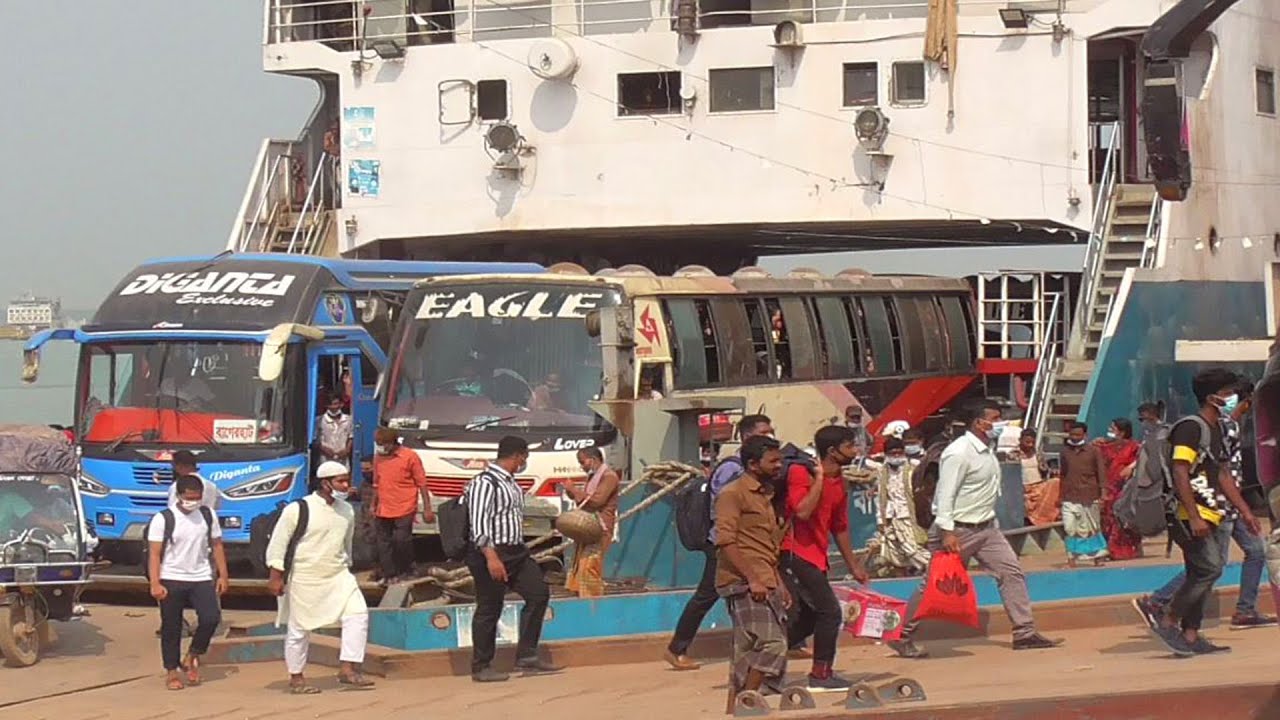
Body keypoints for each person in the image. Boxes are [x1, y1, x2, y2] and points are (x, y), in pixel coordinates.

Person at [891, 401, 1061, 658]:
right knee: (934, 585)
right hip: (958, 530)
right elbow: (945, 495)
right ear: (979, 423)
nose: (999, 424)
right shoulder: (958, 453)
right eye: (995, 418)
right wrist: (947, 532)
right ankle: (902, 634)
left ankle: (1024, 632)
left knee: (1011, 573)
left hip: (987, 528)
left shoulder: (987, 450)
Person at [1131, 369, 1264, 655]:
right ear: (1212, 396)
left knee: (1201, 572)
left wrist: (1245, 511)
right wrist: (1193, 516)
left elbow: (1223, 474)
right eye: (1228, 393)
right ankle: (1166, 618)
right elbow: (1181, 472)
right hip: (1186, 514)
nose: (1232, 398)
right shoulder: (1190, 428)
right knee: (1210, 567)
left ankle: (1191, 635)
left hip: (1213, 512)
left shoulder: (1216, 427)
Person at [665, 414, 774, 671]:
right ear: (747, 437)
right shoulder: (733, 469)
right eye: (764, 432)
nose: (770, 436)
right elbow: (725, 508)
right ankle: (676, 648)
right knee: (707, 595)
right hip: (725, 544)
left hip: (743, 543)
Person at [266, 461, 374, 693]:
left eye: (347, 480)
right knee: (299, 629)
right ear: (325, 483)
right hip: (304, 577)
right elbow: (279, 544)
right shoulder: (299, 509)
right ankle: (296, 677)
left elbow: (346, 545)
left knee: (358, 615)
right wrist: (275, 577)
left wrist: (347, 567)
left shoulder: (346, 510)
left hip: (338, 575)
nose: (346, 486)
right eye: (340, 481)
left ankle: (348, 668)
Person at [779, 425, 868, 691]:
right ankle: (821, 675)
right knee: (829, 611)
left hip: (816, 555)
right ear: (832, 451)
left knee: (808, 618)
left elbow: (839, 526)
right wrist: (818, 479)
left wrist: (854, 565)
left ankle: (762, 660)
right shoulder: (800, 473)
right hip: (794, 551)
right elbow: (803, 511)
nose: (856, 451)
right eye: (850, 446)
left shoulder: (840, 481)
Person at [463, 436, 560, 682]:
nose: (524, 462)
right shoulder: (484, 482)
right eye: (523, 458)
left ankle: (527, 654)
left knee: (538, 594)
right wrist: (491, 557)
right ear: (517, 456)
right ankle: (481, 665)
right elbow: (479, 522)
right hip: (492, 552)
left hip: (516, 551)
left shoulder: (511, 484)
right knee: (489, 607)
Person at [715, 435, 791, 710]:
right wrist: (753, 579)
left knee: (745, 650)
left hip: (765, 578)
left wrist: (778, 583)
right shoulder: (732, 494)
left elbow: (766, 545)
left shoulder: (764, 495)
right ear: (752, 464)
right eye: (773, 460)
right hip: (743, 583)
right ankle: (749, 700)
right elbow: (725, 541)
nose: (779, 465)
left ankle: (735, 708)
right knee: (773, 644)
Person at [148, 475, 228, 691]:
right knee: (171, 627)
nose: (192, 501)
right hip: (172, 577)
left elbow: (217, 545)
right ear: (179, 496)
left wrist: (223, 575)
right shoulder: (163, 518)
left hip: (201, 576)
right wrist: (155, 583)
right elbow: (155, 554)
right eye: (189, 497)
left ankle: (192, 655)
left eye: (197, 498)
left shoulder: (207, 515)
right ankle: (172, 672)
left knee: (211, 618)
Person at [370, 428, 433, 585]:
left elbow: (422, 484)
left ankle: (407, 569)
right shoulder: (378, 458)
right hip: (383, 507)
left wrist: (427, 508)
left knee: (401, 540)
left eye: (383, 444)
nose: (381, 447)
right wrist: (373, 504)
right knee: (383, 542)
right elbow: (376, 483)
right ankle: (389, 573)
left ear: (393, 443)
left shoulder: (410, 456)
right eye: (378, 444)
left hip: (404, 506)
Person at [558, 447, 621, 597]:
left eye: (582, 462)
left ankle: (592, 601)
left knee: (590, 567)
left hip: (601, 528)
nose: (582, 466)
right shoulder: (593, 477)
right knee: (579, 566)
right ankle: (580, 597)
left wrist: (573, 490)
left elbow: (596, 501)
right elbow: (584, 500)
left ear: (593, 459)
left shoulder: (609, 476)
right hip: (587, 527)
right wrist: (570, 492)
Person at [875, 437, 931, 575]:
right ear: (886, 454)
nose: (896, 456)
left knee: (913, 550)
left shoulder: (914, 468)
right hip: (891, 518)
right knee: (895, 555)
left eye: (899, 453)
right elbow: (881, 497)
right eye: (892, 453)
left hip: (910, 517)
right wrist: (880, 520)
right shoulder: (882, 472)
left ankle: (935, 572)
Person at [1059, 422, 1109, 567]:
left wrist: (1103, 493)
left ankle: (1098, 556)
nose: (1074, 437)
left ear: (1084, 435)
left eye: (1078, 435)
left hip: (1090, 495)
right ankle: (1071, 556)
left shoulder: (1094, 451)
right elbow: (1063, 474)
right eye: (1072, 434)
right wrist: (1060, 495)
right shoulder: (1064, 452)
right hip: (1069, 496)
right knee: (1069, 528)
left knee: (1092, 527)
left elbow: (1101, 473)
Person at [1098, 418, 1143, 561]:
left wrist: (1130, 467)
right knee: (1107, 518)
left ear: (1122, 431)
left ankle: (1124, 551)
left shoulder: (1134, 446)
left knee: (1122, 516)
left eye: (1113, 428)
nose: (1110, 430)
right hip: (1109, 486)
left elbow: (1144, 458)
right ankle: (1109, 549)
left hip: (1125, 487)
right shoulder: (1105, 445)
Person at [1012, 430, 1059, 527]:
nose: (1030, 445)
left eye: (1032, 442)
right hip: (1023, 488)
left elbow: (1045, 470)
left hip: (1039, 486)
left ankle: (1041, 518)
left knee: (1055, 482)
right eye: (1027, 442)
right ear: (1020, 440)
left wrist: (1053, 471)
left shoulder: (1037, 453)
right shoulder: (1013, 455)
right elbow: (1011, 475)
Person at [315, 396, 353, 466]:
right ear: (327, 405)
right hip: (325, 459)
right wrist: (325, 449)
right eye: (331, 404)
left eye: (336, 404)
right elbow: (315, 439)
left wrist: (347, 450)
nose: (334, 407)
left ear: (341, 404)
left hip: (343, 459)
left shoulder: (348, 419)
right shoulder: (319, 420)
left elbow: (351, 436)